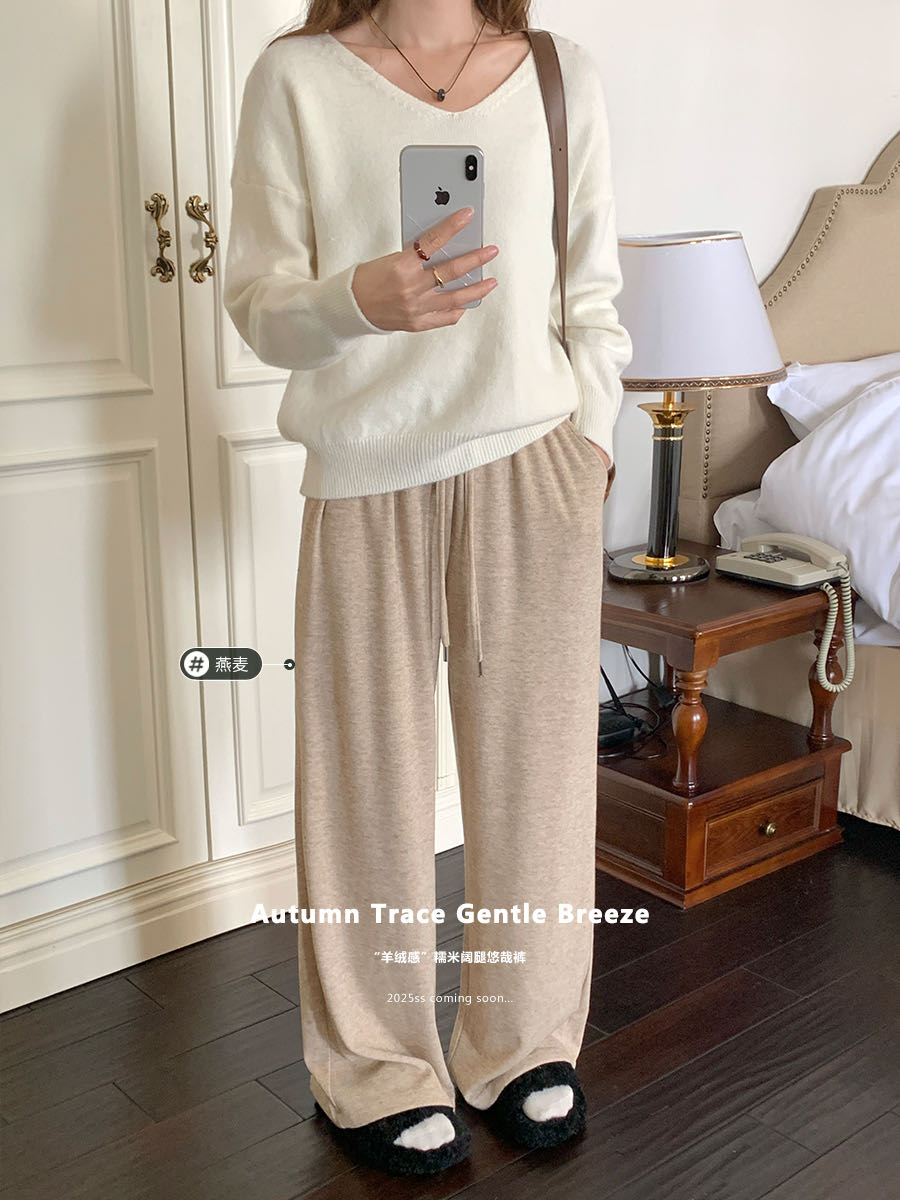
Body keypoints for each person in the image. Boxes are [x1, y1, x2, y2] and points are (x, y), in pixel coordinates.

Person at [224, 0, 632, 1177]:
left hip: (535, 458)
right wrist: (358, 298)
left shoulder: (558, 73)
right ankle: (375, 1065)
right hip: (367, 468)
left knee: (539, 772)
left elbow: (591, 293)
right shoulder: (298, 79)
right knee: (365, 779)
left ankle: (523, 1044)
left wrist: (592, 440)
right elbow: (257, 305)